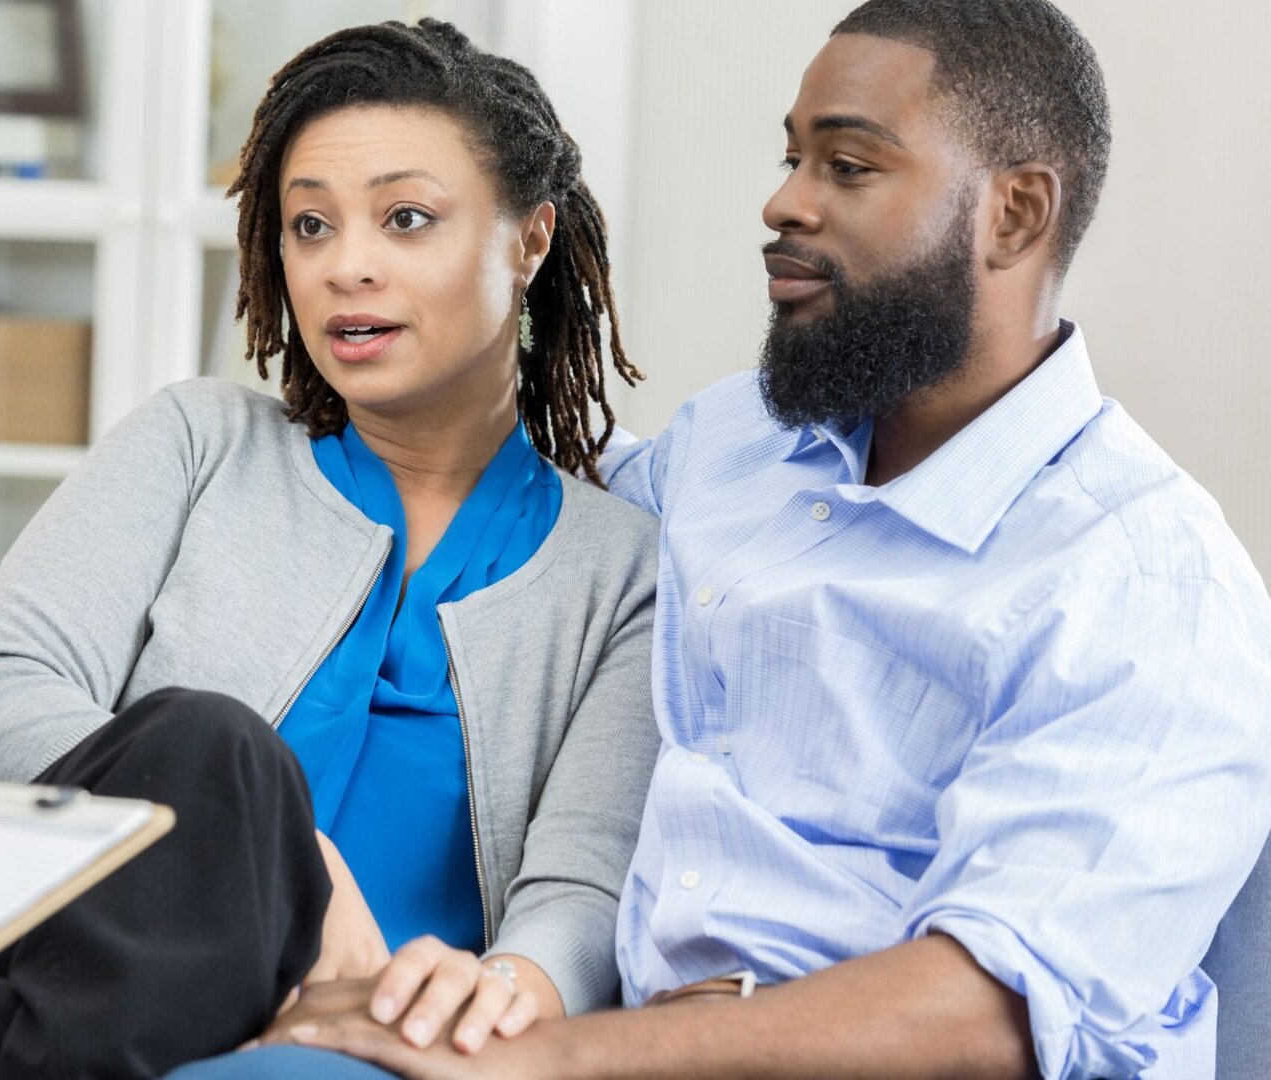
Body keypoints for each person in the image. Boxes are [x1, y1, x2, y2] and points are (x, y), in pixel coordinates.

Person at [252, 1, 1271, 1078]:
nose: (784, 202)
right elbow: (515, 498)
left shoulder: (1146, 578)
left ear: (1013, 215)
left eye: (849, 166)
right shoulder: (736, 447)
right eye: (793, 158)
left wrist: (551, 1057)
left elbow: (996, 1012)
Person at [0, 19, 663, 1080]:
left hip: (381, 1036)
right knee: (215, 750)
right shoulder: (195, 443)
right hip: (110, 978)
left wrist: (497, 999)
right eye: (310, 226)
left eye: (406, 219)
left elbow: (582, 888)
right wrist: (284, 855)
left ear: (529, 241)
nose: (346, 267)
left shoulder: (622, 569)